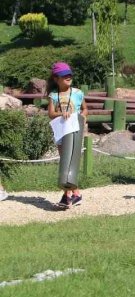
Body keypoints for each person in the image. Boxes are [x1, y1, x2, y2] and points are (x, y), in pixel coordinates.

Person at [47, 61, 88, 207]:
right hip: (61, 132)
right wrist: (61, 113)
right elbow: (51, 114)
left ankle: (68, 195)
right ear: (56, 79)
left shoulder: (77, 93)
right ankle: (74, 193)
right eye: (64, 76)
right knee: (65, 162)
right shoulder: (53, 95)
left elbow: (84, 109)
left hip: (74, 132)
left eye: (69, 74)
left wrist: (82, 116)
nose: (68, 77)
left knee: (72, 162)